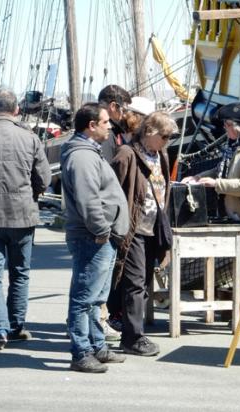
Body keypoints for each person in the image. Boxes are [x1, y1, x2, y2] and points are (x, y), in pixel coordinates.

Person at [181, 102, 240, 330]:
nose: (224, 128)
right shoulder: (236, 146)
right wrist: (198, 178)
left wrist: (217, 185)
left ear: (239, 127)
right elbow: (221, 170)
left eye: (227, 124)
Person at [60, 103, 129, 373]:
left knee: (95, 298)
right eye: (105, 122)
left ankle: (97, 346)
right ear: (91, 125)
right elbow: (88, 199)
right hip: (93, 237)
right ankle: (81, 352)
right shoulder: (82, 157)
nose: (109, 126)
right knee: (83, 298)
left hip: (100, 237)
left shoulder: (89, 153)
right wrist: (102, 230)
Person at [0, 88, 51, 352]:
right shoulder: (30, 138)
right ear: (17, 110)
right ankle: (15, 325)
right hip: (23, 215)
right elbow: (44, 179)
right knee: (20, 274)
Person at [110, 110, 177, 356]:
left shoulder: (161, 154)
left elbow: (163, 190)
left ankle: (129, 328)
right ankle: (132, 337)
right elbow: (113, 189)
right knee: (134, 283)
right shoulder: (127, 154)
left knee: (144, 281)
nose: (168, 141)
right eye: (165, 135)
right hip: (134, 228)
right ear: (150, 133)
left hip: (154, 226)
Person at [106, 96, 156, 333]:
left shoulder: (154, 152)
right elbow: (113, 185)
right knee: (128, 277)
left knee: (138, 277)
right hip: (128, 223)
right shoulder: (124, 149)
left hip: (147, 222)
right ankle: (130, 330)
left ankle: (128, 324)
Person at [97, 84, 132, 340]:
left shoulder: (111, 134)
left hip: (106, 214)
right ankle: (99, 321)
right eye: (123, 108)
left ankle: (99, 319)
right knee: (100, 272)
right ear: (113, 106)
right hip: (106, 216)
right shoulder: (108, 137)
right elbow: (108, 176)